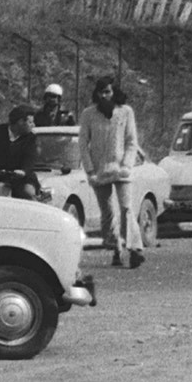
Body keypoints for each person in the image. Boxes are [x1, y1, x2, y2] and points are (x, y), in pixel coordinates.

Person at [78, 76, 146, 269]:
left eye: (107, 91)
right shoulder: (88, 114)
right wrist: (90, 170)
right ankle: (116, 247)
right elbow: (83, 143)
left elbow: (132, 141)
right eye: (101, 92)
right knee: (107, 212)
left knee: (126, 208)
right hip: (99, 171)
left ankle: (134, 248)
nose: (104, 96)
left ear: (114, 92)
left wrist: (126, 165)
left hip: (121, 170)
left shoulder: (125, 112)